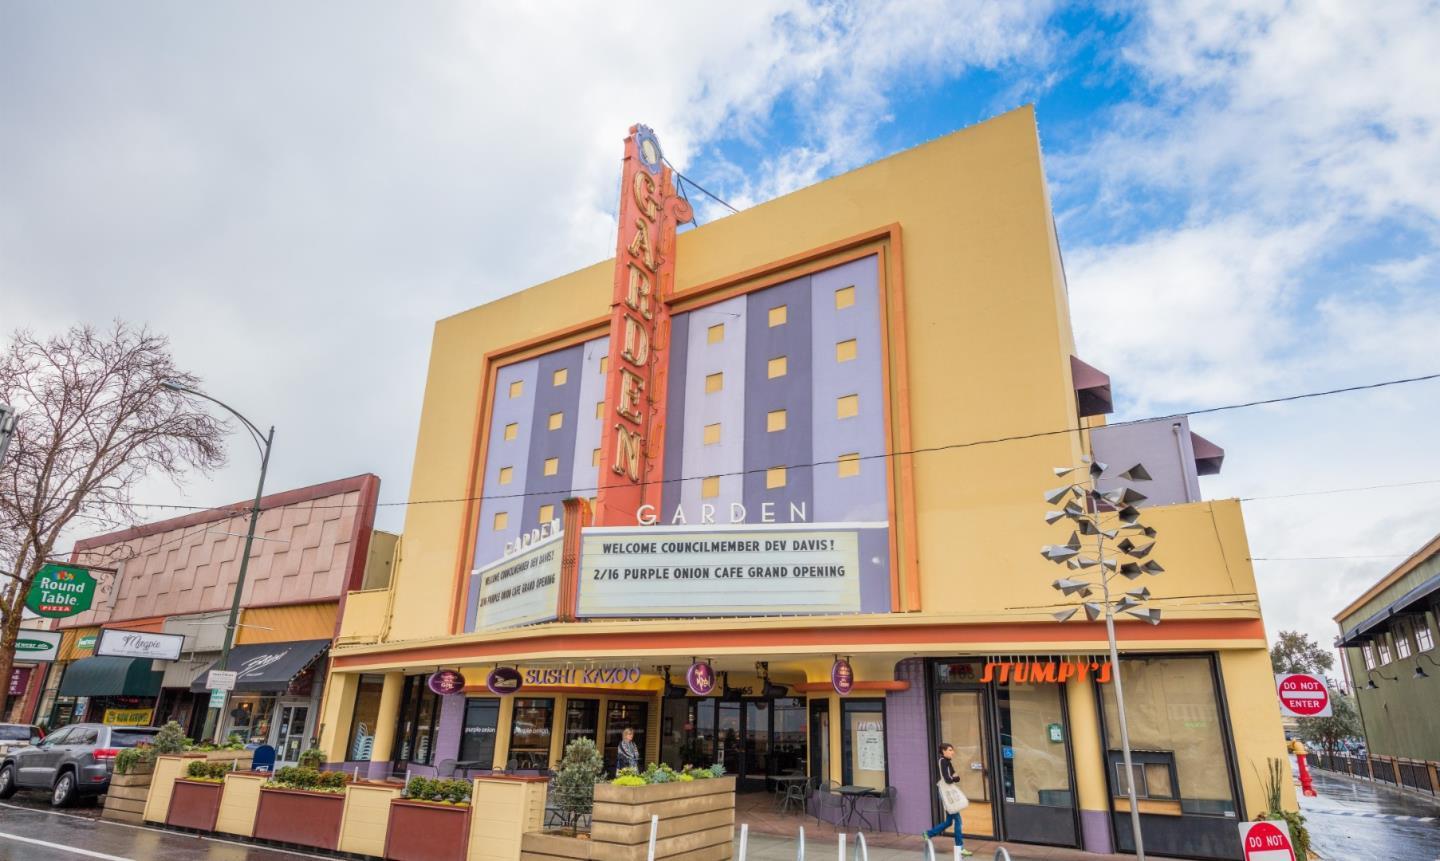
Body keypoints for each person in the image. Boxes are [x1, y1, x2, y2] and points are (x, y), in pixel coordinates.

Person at [925, 743, 972, 857]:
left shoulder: (948, 762)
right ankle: (960, 847)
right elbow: (948, 779)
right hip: (947, 794)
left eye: (952, 750)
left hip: (949, 795)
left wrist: (954, 777)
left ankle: (928, 834)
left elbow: (957, 778)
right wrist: (953, 777)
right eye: (950, 750)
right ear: (943, 751)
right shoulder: (942, 761)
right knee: (958, 821)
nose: (952, 752)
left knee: (949, 822)